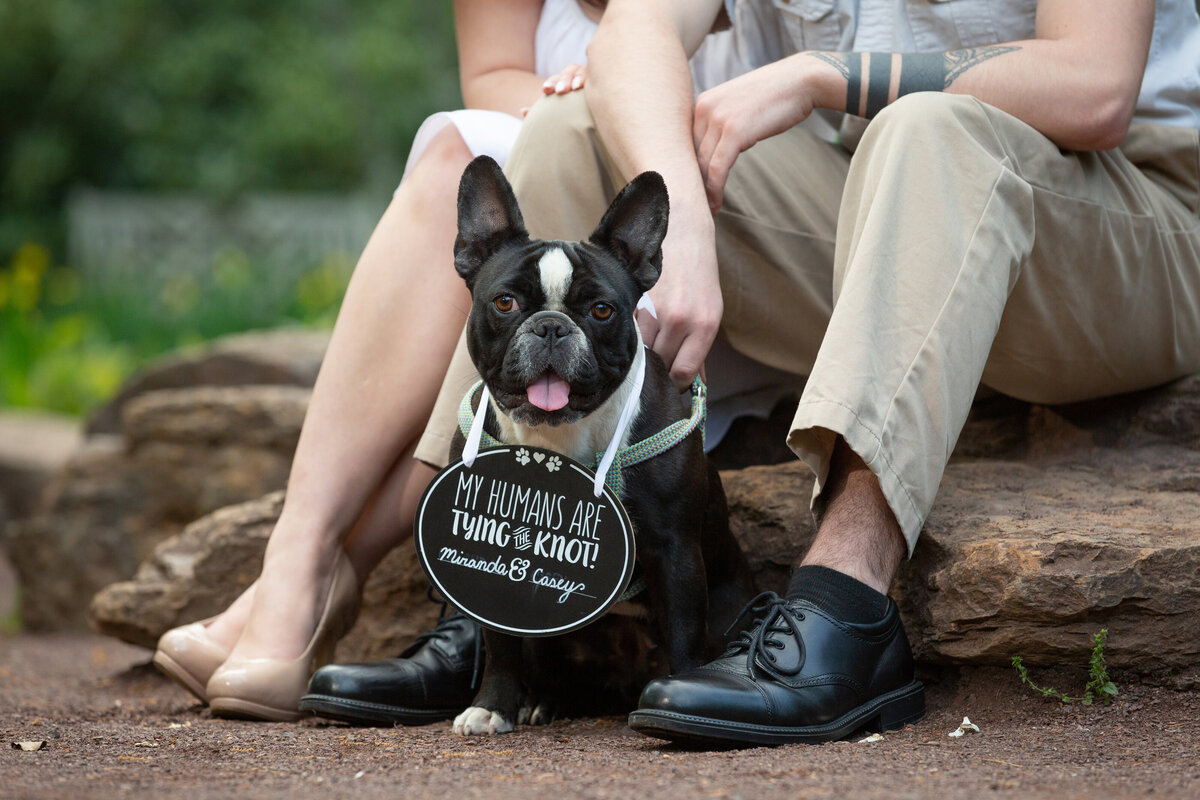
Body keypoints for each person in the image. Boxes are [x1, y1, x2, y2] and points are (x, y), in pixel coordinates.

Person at [410, 0, 1200, 744]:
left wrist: (819, 74)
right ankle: (496, 593)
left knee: (923, 129)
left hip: (1131, 218)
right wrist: (680, 219)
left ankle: (842, 602)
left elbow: (1095, 88)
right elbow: (633, 31)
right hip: (869, 192)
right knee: (570, 126)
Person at [152, 0, 756, 723]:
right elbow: (492, 76)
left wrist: (619, 105)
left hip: (717, 223)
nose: (548, 333)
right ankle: (320, 564)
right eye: (519, 313)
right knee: (485, 143)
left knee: (526, 141)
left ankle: (316, 574)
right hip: (556, 168)